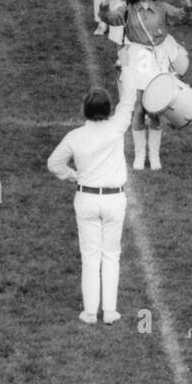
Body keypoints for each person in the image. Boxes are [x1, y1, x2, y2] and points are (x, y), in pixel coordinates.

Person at [46, 83, 138, 324]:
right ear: (108, 111)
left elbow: (53, 164)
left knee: (90, 256)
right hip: (114, 199)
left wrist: (73, 175)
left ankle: (89, 312)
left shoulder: (74, 136)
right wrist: (126, 69)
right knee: (111, 255)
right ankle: (109, 311)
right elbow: (128, 103)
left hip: (86, 198)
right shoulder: (117, 127)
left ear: (85, 111)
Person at [99, 0, 192, 171]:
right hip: (137, 60)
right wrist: (105, 2)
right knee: (139, 109)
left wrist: (187, 2)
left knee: (155, 109)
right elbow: (108, 18)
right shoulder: (128, 10)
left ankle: (154, 154)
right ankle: (140, 155)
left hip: (157, 61)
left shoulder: (161, 8)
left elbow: (183, 17)